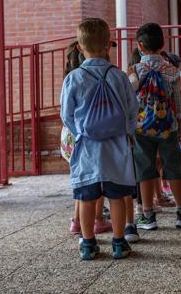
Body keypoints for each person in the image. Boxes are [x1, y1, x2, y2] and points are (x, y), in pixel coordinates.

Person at [60, 18, 138, 260]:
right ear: (107, 46)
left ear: (80, 48)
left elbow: (66, 114)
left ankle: (88, 244)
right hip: (116, 145)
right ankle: (118, 242)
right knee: (116, 195)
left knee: (86, 195)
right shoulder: (119, 76)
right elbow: (132, 109)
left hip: (87, 147)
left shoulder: (73, 78)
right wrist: (126, 132)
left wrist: (81, 130)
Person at [130, 23, 181, 230]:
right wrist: (180, 126)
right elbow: (180, 101)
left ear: (140, 46)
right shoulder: (171, 70)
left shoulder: (135, 70)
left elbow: (129, 101)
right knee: (173, 167)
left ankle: (147, 215)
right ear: (163, 45)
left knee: (145, 169)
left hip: (141, 128)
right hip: (167, 127)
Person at [62, 41, 113, 237]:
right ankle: (98, 219)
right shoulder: (94, 76)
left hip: (70, 135)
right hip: (88, 134)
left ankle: (77, 221)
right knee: (97, 178)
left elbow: (66, 112)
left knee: (82, 181)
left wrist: (76, 132)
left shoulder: (70, 77)